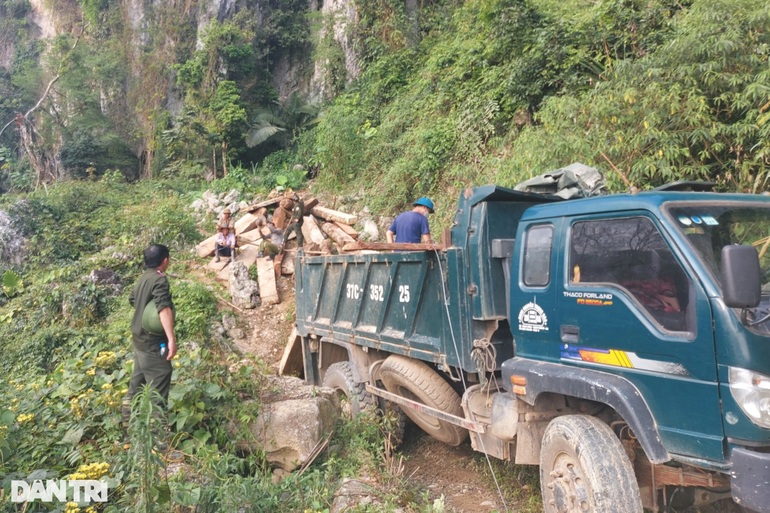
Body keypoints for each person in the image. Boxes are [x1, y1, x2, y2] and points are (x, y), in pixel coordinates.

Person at [122, 244, 177, 446]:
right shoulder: (159, 280)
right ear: (164, 260)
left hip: (139, 341)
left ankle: (128, 437)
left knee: (134, 389)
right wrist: (171, 338)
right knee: (158, 392)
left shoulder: (143, 277)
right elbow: (163, 307)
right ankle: (160, 445)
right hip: (153, 344)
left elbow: (132, 299)